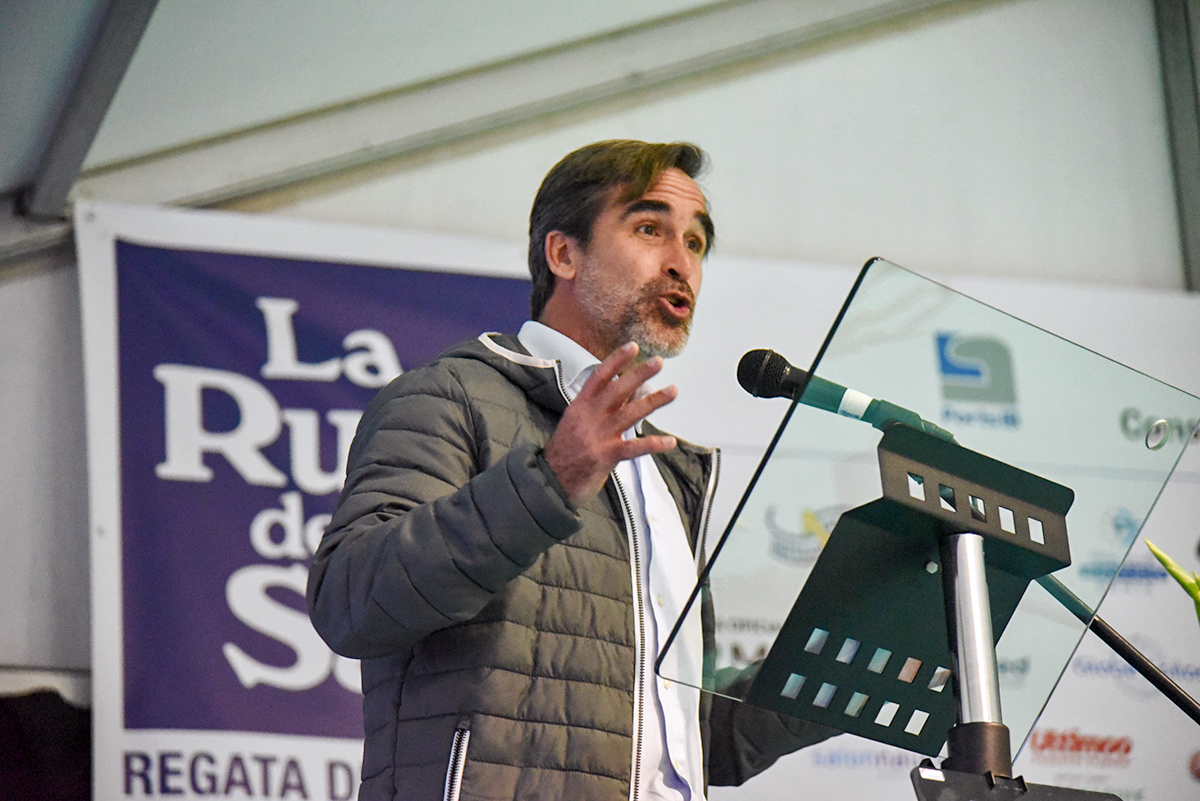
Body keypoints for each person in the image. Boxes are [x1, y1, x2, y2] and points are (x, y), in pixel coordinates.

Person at [307, 140, 834, 801]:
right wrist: (549, 483)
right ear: (562, 253)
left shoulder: (666, 471)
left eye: (696, 243)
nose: (682, 263)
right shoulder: (450, 396)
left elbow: (696, 740)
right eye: (650, 229)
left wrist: (841, 671)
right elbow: (351, 601)